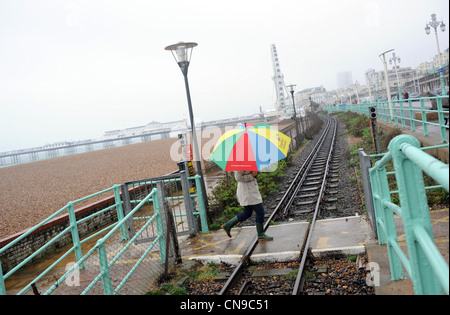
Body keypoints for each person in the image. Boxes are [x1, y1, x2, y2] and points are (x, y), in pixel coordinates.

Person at [221, 171, 273, 242]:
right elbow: (238, 177)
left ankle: (227, 225)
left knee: (247, 213)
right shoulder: (240, 163)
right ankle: (261, 234)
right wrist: (251, 175)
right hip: (247, 193)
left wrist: (255, 173)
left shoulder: (250, 162)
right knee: (260, 211)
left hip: (250, 191)